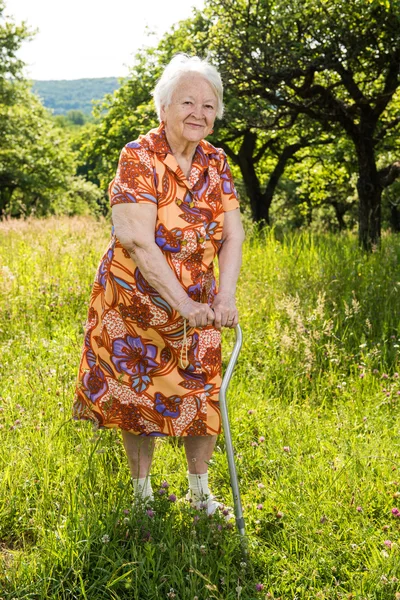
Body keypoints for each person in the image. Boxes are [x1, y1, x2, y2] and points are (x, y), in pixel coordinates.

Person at [73, 54, 245, 515]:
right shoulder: (138, 156)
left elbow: (233, 234)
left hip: (200, 304)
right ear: (163, 108)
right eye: (187, 102)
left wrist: (222, 297)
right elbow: (136, 240)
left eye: (209, 105)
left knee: (203, 394)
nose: (199, 113)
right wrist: (183, 303)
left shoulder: (217, 161)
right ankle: (142, 499)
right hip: (136, 301)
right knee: (137, 397)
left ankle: (200, 495)